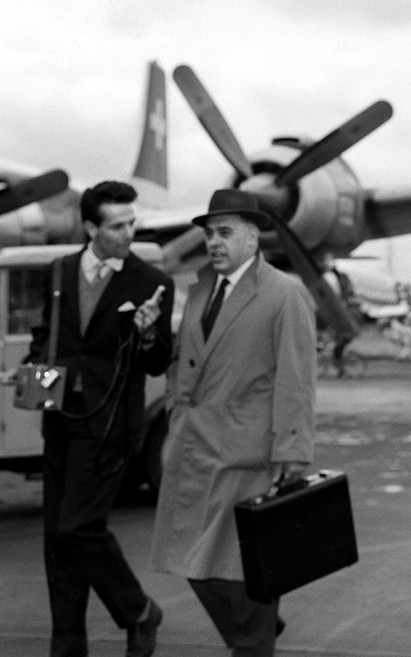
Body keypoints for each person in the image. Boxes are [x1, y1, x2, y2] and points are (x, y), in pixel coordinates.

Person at [149, 189, 317, 657]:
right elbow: (182, 367)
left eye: (224, 233)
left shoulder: (285, 293)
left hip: (248, 457)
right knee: (194, 564)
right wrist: (174, 420)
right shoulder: (201, 290)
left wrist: (292, 451)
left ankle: (255, 641)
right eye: (208, 234)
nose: (213, 242)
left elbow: (297, 380)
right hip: (193, 449)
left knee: (243, 575)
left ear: (252, 236)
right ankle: (258, 631)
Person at [27, 180, 174, 657]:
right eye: (117, 225)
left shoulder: (153, 283)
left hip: (111, 424)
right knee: (57, 541)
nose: (129, 232)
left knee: (78, 529)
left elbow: (156, 362)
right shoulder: (60, 270)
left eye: (132, 222)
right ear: (90, 227)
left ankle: (139, 611)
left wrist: (149, 336)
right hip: (62, 419)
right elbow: (47, 336)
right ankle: (67, 646)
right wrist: (32, 376)